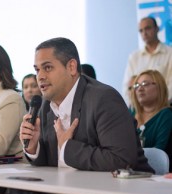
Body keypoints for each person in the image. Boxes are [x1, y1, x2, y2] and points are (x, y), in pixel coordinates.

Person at [19, 37, 153, 172]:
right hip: (68, 189)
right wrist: (34, 147)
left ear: (71, 67)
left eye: (47, 67)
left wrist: (67, 147)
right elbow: (51, 162)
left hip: (124, 189)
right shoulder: (45, 106)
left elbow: (121, 160)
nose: (40, 76)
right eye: (37, 70)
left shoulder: (104, 99)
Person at [122, 16, 172, 106]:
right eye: (141, 30)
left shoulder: (170, 53)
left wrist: (160, 106)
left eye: (147, 28)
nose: (144, 33)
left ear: (157, 29)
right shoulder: (134, 57)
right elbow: (127, 87)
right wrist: (136, 108)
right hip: (139, 111)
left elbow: (171, 85)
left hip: (164, 108)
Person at [130, 69, 172, 151]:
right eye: (136, 85)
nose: (139, 89)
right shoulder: (131, 112)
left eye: (144, 84)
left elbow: (159, 152)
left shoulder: (166, 115)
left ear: (160, 87)